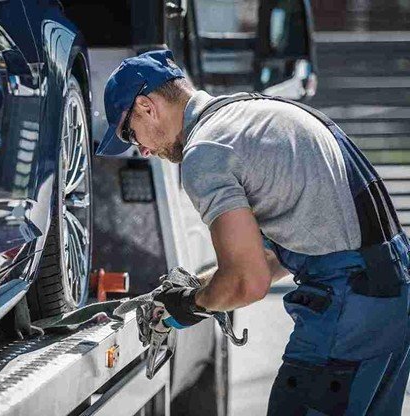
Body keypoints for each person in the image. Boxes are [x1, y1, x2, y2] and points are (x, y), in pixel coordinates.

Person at [97, 49, 410, 415]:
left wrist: (184, 306)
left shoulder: (205, 151)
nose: (144, 150)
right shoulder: (258, 112)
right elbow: (282, 253)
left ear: (147, 106)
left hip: (347, 311)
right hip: (392, 296)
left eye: (131, 134)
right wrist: (198, 289)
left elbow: (248, 281)